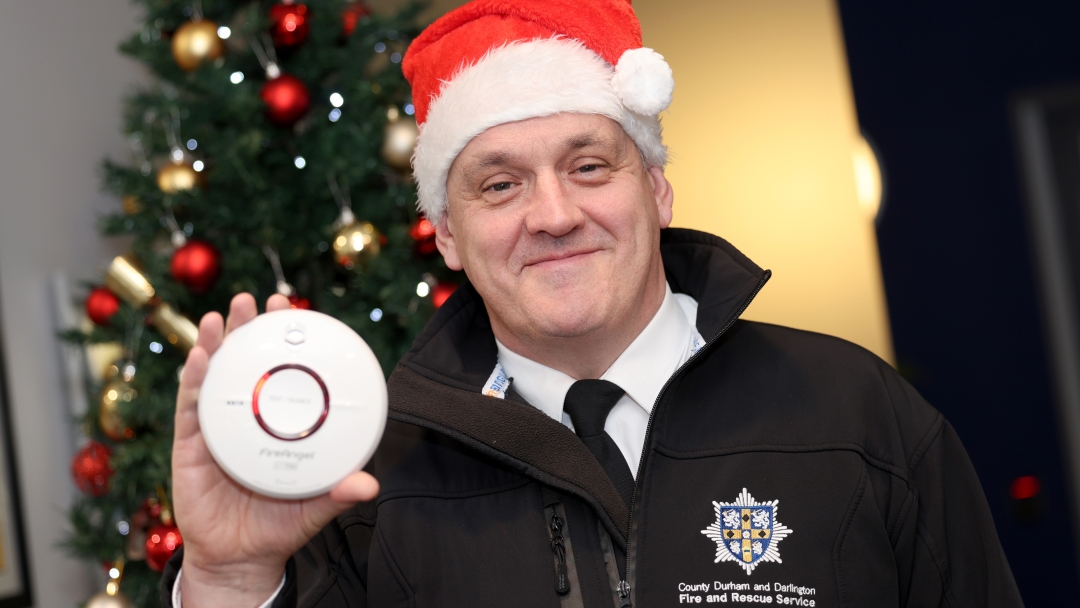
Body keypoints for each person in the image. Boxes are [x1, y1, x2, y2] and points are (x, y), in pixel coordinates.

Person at [165, 0, 1024, 606]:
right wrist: (231, 581)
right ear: (450, 237)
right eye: (499, 185)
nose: (553, 215)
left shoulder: (855, 412)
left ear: (655, 189)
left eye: (588, 166)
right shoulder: (371, 481)